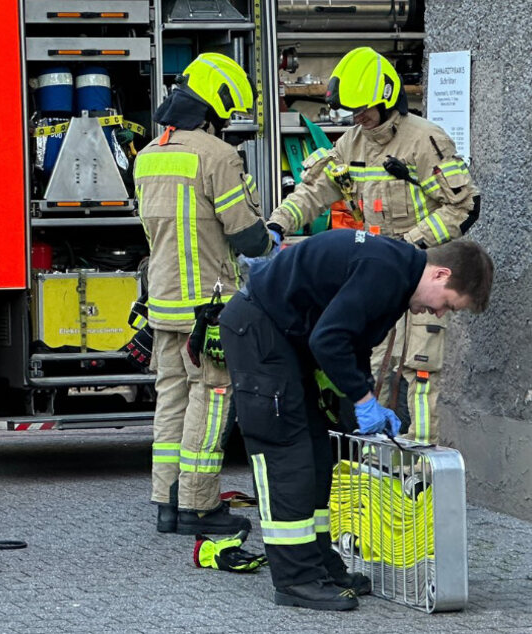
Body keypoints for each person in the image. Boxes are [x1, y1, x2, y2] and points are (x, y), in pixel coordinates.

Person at [218, 230, 493, 611]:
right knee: (288, 457)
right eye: (448, 304)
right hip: (259, 332)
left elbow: (352, 342)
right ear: (441, 275)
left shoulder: (398, 278)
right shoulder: (386, 271)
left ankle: (319, 565)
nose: (441, 313)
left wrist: (353, 403)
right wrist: (365, 402)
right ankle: (296, 581)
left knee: (318, 456)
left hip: (284, 339)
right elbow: (328, 340)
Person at [266, 47, 480, 445]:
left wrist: (410, 245)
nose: (358, 117)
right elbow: (314, 190)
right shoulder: (352, 144)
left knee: (421, 370)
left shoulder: (426, 142)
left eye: (365, 109)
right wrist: (277, 224)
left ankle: (421, 467)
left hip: (420, 277)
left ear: (387, 100)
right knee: (373, 367)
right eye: (353, 111)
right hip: (373, 279)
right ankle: (375, 466)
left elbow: (464, 207)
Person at [134, 53, 277, 536]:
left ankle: (167, 503)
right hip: (210, 309)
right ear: (214, 107)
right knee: (212, 398)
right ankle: (199, 505)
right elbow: (249, 238)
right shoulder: (218, 156)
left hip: (165, 304)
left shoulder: (148, 154)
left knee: (170, 400)